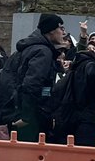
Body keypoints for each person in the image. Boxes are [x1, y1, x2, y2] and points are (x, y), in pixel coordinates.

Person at [8, 13, 67, 141]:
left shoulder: (28, 49)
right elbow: (31, 84)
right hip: (32, 120)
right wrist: (27, 117)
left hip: (19, 114)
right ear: (51, 31)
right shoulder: (43, 52)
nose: (64, 32)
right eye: (61, 28)